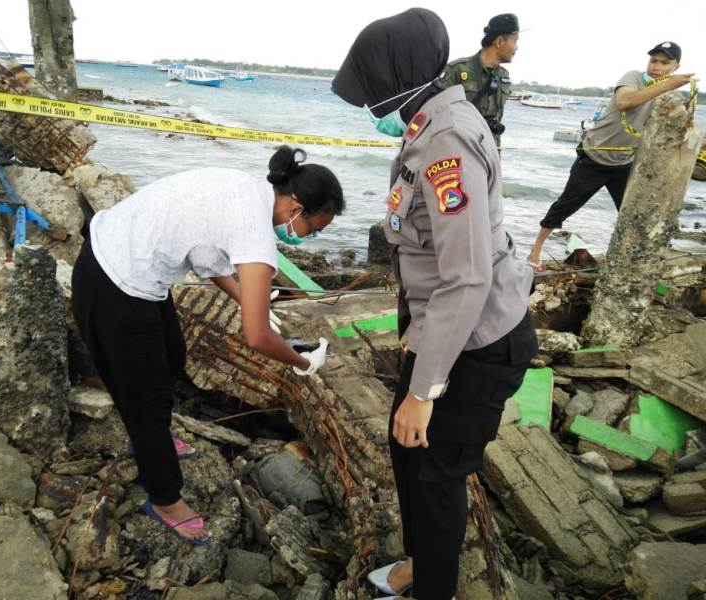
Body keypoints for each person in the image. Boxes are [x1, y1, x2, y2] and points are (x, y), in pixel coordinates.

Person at [333, 9, 537, 600]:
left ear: (392, 77)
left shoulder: (447, 141)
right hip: (443, 329)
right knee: (405, 448)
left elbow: (467, 277)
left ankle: (433, 587)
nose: (367, 100)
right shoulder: (430, 120)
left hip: (481, 340)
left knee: (436, 473)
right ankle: (418, 563)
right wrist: (417, 340)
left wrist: (423, 392)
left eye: (369, 84)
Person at [71, 146, 344, 544]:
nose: (309, 237)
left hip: (129, 260)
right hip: (115, 281)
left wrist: (248, 301)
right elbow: (256, 336)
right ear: (296, 208)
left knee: (172, 355)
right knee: (145, 395)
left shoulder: (248, 190)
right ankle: (165, 498)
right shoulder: (255, 231)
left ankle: (152, 437)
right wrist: (300, 362)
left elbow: (206, 258)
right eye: (313, 230)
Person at [526, 42, 692, 271]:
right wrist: (667, 84)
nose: (657, 66)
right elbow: (625, 102)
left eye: (664, 63)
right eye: (654, 61)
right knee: (564, 206)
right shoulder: (633, 78)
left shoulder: (669, 95)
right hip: (593, 159)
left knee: (630, 213)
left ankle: (625, 256)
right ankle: (535, 250)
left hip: (624, 164)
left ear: (676, 67)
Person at [439, 13, 519, 148]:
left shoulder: (503, 75)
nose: (516, 47)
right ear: (499, 41)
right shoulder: (457, 69)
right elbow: (436, 112)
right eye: (515, 41)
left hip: (490, 150)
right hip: (459, 149)